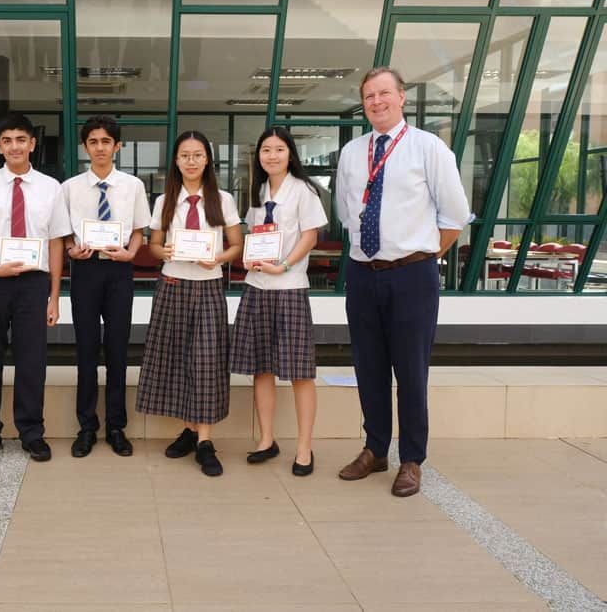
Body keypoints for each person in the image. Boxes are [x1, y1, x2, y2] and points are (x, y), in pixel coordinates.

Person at [336, 66, 471, 497]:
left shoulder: (429, 149)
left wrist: (421, 256)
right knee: (368, 367)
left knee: (411, 371)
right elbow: (346, 212)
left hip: (412, 274)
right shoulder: (353, 152)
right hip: (362, 274)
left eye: (384, 94)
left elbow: (454, 217)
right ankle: (375, 449)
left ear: (401, 98)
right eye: (369, 96)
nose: (376, 102)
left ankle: (411, 459)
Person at [0, 112, 72, 465]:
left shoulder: (51, 188)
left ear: (32, 144)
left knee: (32, 360)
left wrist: (54, 296)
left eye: (21, 139)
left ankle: (32, 432)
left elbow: (55, 243)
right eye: (7, 140)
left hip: (33, 283)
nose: (15, 146)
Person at [136, 130, 243, 476]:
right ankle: (189, 429)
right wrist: (161, 250)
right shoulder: (165, 199)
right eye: (185, 155)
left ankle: (205, 441)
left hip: (208, 286)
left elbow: (236, 245)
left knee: (207, 361)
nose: (192, 161)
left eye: (198, 155)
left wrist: (220, 259)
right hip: (172, 286)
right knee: (178, 357)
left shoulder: (222, 198)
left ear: (207, 159)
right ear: (177, 161)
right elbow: (153, 246)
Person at [230, 127, 327, 476]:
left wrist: (283, 264)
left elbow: (310, 235)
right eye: (265, 150)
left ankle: (304, 447)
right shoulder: (258, 192)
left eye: (279, 149)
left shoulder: (304, 191)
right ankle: (266, 439)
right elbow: (256, 237)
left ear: (291, 154)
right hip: (257, 288)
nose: (271, 156)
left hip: (288, 287)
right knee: (262, 368)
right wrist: (248, 257)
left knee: (300, 372)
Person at [62, 115, 152, 458]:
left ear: (118, 146)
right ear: (85, 147)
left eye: (106, 142)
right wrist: (72, 248)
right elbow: (65, 231)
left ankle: (116, 426)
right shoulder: (69, 187)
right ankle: (87, 427)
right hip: (84, 270)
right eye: (93, 142)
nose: (100, 148)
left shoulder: (132, 186)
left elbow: (140, 229)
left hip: (118, 273)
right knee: (86, 351)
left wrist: (130, 252)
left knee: (117, 351)